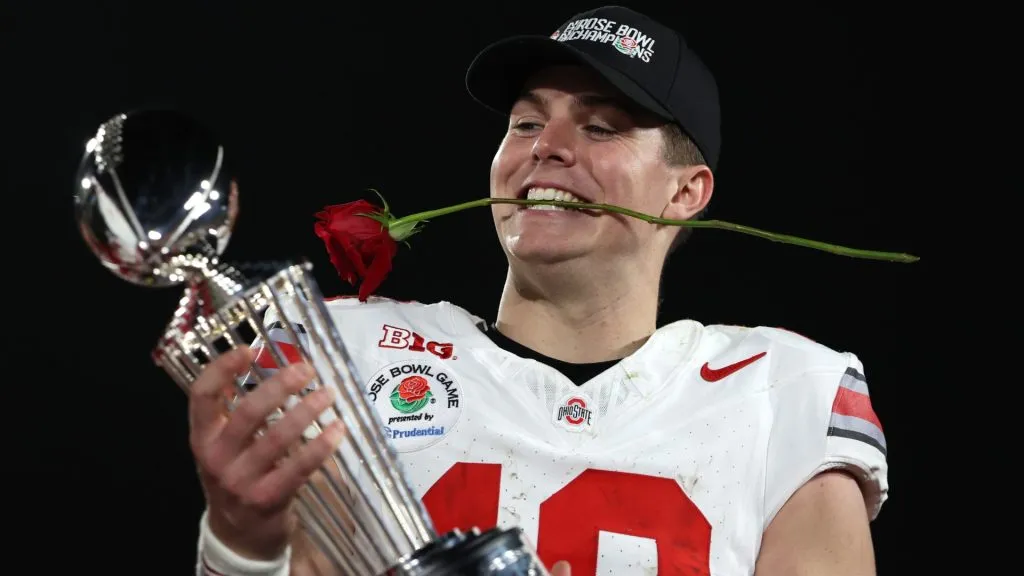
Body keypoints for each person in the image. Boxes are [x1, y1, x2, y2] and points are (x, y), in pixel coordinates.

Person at [187, 6, 889, 575]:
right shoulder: (353, 356)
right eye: (526, 122)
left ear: (685, 192)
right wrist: (240, 545)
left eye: (600, 126)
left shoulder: (785, 393)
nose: (545, 145)